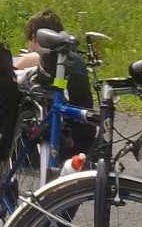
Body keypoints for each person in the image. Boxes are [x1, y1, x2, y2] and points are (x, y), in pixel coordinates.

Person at [15, 10, 95, 159]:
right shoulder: (77, 59)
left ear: (34, 37)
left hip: (57, 144)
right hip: (85, 144)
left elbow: (9, 79)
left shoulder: (37, 57)